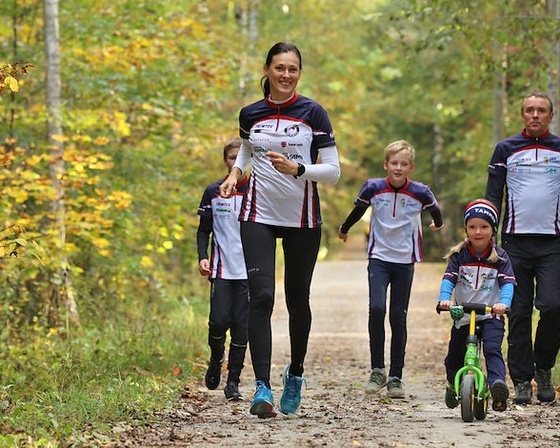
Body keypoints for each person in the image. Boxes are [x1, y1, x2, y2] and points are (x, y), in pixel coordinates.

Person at [219, 42, 341, 418]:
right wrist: (235, 173)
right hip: (258, 213)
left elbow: (334, 171)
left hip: (302, 218)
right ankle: (262, 387)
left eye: (293, 69)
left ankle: (296, 373)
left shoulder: (313, 112)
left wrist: (299, 170)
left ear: (299, 73)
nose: (286, 75)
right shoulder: (250, 113)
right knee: (261, 298)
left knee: (296, 300)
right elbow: (246, 149)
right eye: (280, 68)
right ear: (268, 70)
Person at [484, 92, 560, 405]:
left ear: (550, 116)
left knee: (553, 307)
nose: (535, 115)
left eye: (541, 110)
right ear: (522, 115)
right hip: (514, 243)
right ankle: (523, 380)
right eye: (530, 110)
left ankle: (544, 368)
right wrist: (488, 243)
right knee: (518, 311)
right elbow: (492, 197)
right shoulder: (506, 149)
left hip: (552, 243)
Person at [338, 140, 443, 399]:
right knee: (376, 308)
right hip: (379, 257)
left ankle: (396, 376)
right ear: (386, 165)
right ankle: (377, 370)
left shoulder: (420, 192)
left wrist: (436, 224)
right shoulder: (374, 188)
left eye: (403, 164)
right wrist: (344, 228)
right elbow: (358, 209)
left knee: (398, 316)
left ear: (410, 167)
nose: (398, 167)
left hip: (405, 260)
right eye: (394, 163)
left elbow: (435, 211)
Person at [436, 200, 515, 412]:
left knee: (492, 349)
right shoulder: (459, 256)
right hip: (463, 313)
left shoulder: (500, 258)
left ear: (492, 230)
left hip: (490, 314)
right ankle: (453, 384)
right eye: (472, 227)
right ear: (466, 230)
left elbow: (508, 283)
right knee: (455, 355)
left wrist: (503, 304)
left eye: (484, 227)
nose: (478, 232)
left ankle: (497, 385)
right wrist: (445, 299)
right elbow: (449, 279)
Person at [196, 138, 249, 402]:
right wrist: (202, 257)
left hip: (249, 273)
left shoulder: (256, 191)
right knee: (218, 322)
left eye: (240, 157)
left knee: (242, 327)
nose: (235, 162)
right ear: (225, 160)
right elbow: (203, 230)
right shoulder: (213, 191)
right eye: (231, 157)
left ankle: (234, 383)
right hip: (221, 269)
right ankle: (217, 357)